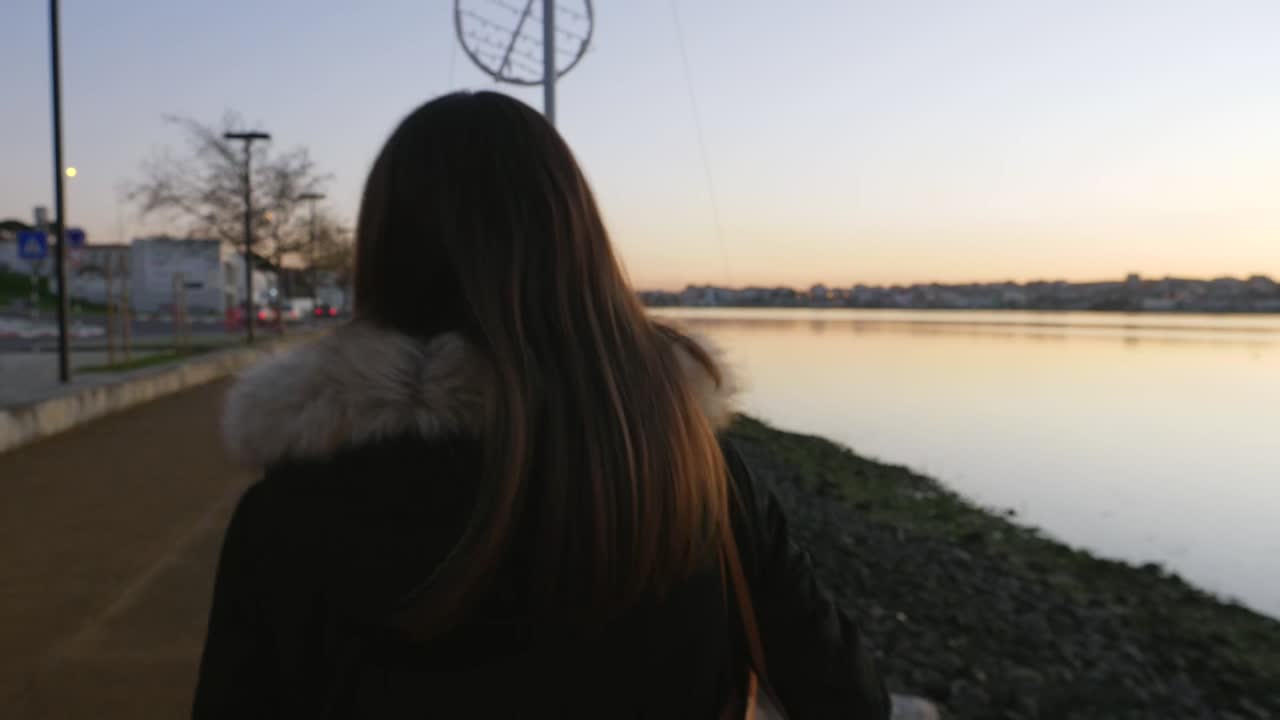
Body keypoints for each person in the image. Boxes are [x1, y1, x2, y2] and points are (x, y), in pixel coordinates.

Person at [194, 91, 889, 719]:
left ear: (382, 251)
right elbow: (848, 698)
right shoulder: (696, 480)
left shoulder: (290, 515)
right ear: (581, 247)